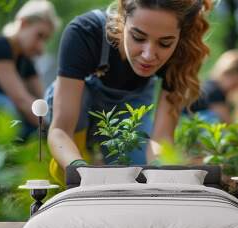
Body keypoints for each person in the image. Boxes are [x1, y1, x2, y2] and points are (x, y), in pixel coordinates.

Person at [47, 0, 213, 185]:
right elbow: (61, 130)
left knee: (136, 176)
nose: (148, 55)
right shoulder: (85, 33)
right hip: (77, 110)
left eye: (165, 43)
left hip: (130, 108)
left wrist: (159, 171)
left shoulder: (184, 52)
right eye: (138, 37)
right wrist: (80, 169)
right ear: (122, 19)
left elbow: (161, 137)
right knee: (71, 168)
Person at [0, 0, 61, 137]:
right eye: (39, 36)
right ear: (23, 23)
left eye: (45, 40)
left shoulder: (25, 59)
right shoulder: (0, 45)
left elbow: (42, 99)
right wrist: (51, 130)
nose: (41, 47)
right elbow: (21, 99)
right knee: (5, 106)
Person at [190, 49, 238, 123]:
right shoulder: (215, 92)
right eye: (235, 84)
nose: (234, 90)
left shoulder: (209, 86)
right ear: (228, 72)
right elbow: (228, 124)